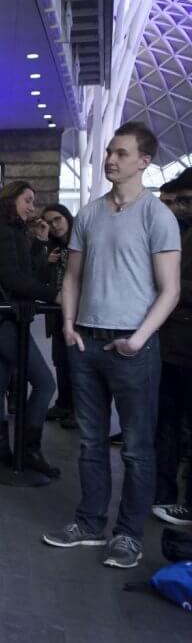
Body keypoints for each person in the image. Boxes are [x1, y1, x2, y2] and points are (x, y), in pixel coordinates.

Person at [43, 122, 181, 569]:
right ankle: (88, 523)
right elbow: (73, 277)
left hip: (133, 347)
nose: (110, 160)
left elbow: (170, 290)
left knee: (138, 448)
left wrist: (138, 340)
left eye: (121, 153)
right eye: (108, 152)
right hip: (86, 342)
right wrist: (68, 325)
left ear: (143, 161)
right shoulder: (89, 214)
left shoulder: (157, 217)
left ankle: (128, 534)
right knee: (90, 442)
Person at [0, 181, 60, 478]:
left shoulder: (4, 231)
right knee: (45, 383)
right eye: (28, 200)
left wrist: (39, 241)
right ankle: (28, 450)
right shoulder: (3, 232)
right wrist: (53, 295)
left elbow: (27, 272)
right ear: (12, 200)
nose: (31, 207)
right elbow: (15, 279)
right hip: (6, 320)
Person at [152, 174, 192, 526]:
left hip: (183, 343)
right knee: (165, 422)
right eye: (169, 202)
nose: (176, 208)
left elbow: (172, 285)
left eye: (182, 201)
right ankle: (161, 492)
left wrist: (170, 288)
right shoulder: (174, 234)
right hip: (169, 345)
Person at [40, 204, 77, 428]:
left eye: (57, 220)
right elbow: (40, 278)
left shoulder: (80, 243)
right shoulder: (51, 248)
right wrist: (46, 260)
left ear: (67, 218)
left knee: (77, 363)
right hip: (57, 313)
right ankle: (64, 404)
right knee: (61, 361)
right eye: (49, 223)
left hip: (79, 312)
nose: (54, 226)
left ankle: (78, 410)